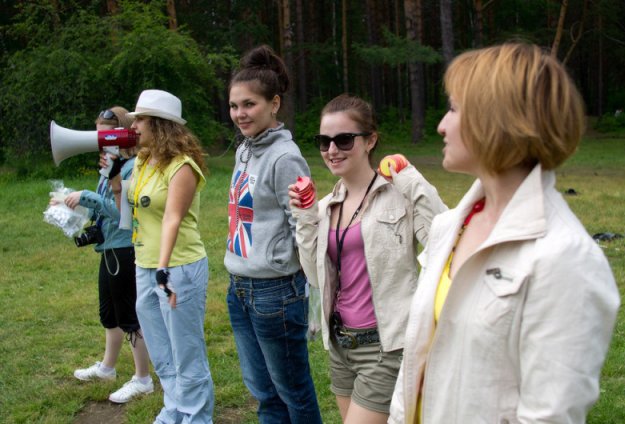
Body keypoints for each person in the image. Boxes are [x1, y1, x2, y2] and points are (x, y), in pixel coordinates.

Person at [388, 43, 620, 424]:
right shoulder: (450, 226)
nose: (441, 125)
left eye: (454, 109)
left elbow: (548, 417)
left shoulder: (566, 258)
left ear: (496, 119)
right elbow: (417, 363)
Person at [289, 94, 447, 424]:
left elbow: (442, 239)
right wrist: (305, 217)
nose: (332, 150)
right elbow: (315, 277)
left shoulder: (399, 193)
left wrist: (410, 178)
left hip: (385, 346)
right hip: (341, 345)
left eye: (344, 139)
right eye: (324, 141)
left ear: (370, 140)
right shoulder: (326, 206)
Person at [224, 45, 322, 424]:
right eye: (234, 106)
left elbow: (304, 226)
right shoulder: (245, 150)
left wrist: (312, 287)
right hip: (239, 287)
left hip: (275, 292)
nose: (240, 114)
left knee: (292, 391)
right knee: (263, 392)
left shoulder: (285, 157)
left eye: (249, 104)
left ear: (274, 103)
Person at [118, 89, 214, 423]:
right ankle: (175, 408)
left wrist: (162, 270)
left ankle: (197, 416)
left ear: (161, 125)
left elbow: (172, 218)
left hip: (176, 268)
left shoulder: (182, 167)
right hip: (145, 265)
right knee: (162, 350)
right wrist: (114, 173)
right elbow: (131, 208)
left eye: (141, 119)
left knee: (186, 351)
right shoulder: (143, 161)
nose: (134, 125)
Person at [59, 106, 153, 404]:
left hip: (124, 249)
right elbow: (102, 208)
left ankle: (143, 379)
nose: (99, 142)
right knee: (109, 314)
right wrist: (68, 202)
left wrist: (88, 196)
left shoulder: (132, 167)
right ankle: (107, 368)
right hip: (109, 248)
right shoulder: (112, 165)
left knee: (129, 317)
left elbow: (122, 215)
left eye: (105, 135)